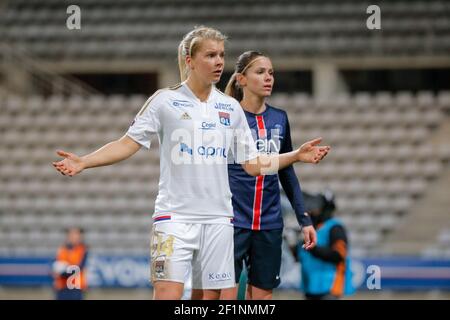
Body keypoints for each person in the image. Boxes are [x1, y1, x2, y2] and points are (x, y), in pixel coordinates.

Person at [52, 26, 330, 300]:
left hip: (220, 221)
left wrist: (294, 155)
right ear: (190, 61)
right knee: (167, 295)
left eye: (221, 55)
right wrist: (84, 162)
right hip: (174, 219)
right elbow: (127, 143)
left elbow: (252, 165)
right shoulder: (164, 100)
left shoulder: (230, 108)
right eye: (210, 55)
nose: (219, 61)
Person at [220, 51, 317, 300]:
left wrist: (304, 219)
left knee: (262, 297)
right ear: (241, 79)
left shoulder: (280, 118)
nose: (268, 78)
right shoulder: (226, 118)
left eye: (271, 73)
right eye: (260, 72)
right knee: (225, 296)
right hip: (231, 222)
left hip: (269, 223)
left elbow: (287, 171)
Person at [298, 190, 355, 300]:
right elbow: (300, 257)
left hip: (329, 288)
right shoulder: (313, 229)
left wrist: (311, 247)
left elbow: (338, 255)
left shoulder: (335, 227)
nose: (312, 211)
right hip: (310, 287)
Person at [52, 227, 88, 300]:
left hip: (75, 287)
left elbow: (79, 267)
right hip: (62, 286)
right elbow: (55, 264)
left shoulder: (83, 249)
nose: (74, 237)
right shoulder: (62, 249)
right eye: (72, 234)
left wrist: (62, 273)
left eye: (76, 234)